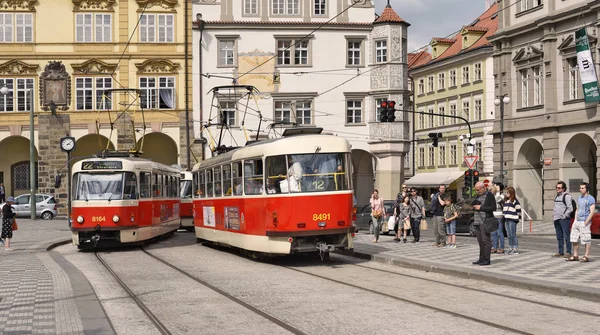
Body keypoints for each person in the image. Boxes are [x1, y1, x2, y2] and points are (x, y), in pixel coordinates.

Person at [567, 182, 595, 262]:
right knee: (574, 238)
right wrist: (575, 220)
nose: (580, 189)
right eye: (580, 188)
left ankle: (586, 256)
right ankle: (575, 255)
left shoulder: (590, 198)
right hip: (577, 221)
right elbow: (577, 209)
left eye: (582, 188)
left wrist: (586, 222)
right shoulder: (579, 198)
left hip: (584, 221)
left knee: (586, 239)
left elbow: (592, 211)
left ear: (587, 189)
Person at [472, 182, 496, 266]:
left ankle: (487, 259)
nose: (477, 192)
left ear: (483, 188)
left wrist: (481, 207)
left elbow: (493, 207)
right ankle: (481, 258)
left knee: (486, 241)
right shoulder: (478, 195)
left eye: (478, 190)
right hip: (477, 221)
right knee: (480, 241)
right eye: (476, 190)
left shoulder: (489, 195)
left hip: (485, 221)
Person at [553, 181, 574, 258]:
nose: (557, 189)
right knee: (559, 236)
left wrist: (564, 216)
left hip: (564, 219)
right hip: (556, 218)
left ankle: (568, 251)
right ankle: (560, 251)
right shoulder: (557, 196)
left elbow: (570, 208)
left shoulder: (567, 196)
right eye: (556, 187)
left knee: (566, 236)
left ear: (563, 189)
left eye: (559, 188)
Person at [503, 186, 522, 255]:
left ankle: (515, 248)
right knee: (509, 235)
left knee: (513, 234)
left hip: (512, 219)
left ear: (511, 193)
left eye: (507, 192)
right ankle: (510, 247)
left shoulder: (515, 201)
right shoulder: (506, 201)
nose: (506, 194)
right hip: (506, 219)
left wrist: (516, 217)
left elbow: (518, 210)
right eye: (506, 192)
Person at [490, 184, 506, 254]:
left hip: (499, 216)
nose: (495, 186)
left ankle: (501, 247)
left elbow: (497, 199)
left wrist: (498, 191)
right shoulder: (492, 195)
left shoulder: (502, 195)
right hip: (493, 216)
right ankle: (494, 247)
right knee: (493, 233)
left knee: (499, 232)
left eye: (496, 186)